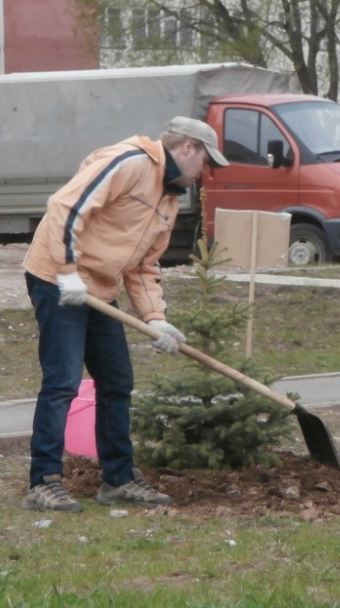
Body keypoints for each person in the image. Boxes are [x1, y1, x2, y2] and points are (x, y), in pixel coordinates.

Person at [20, 116, 228, 511]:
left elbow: (143, 266)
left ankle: (117, 479)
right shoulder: (129, 163)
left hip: (97, 288)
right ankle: (43, 481)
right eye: (205, 161)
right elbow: (65, 206)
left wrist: (155, 319)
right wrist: (66, 271)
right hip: (56, 278)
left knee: (117, 381)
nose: (205, 173)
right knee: (62, 381)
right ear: (187, 148)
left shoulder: (167, 199)